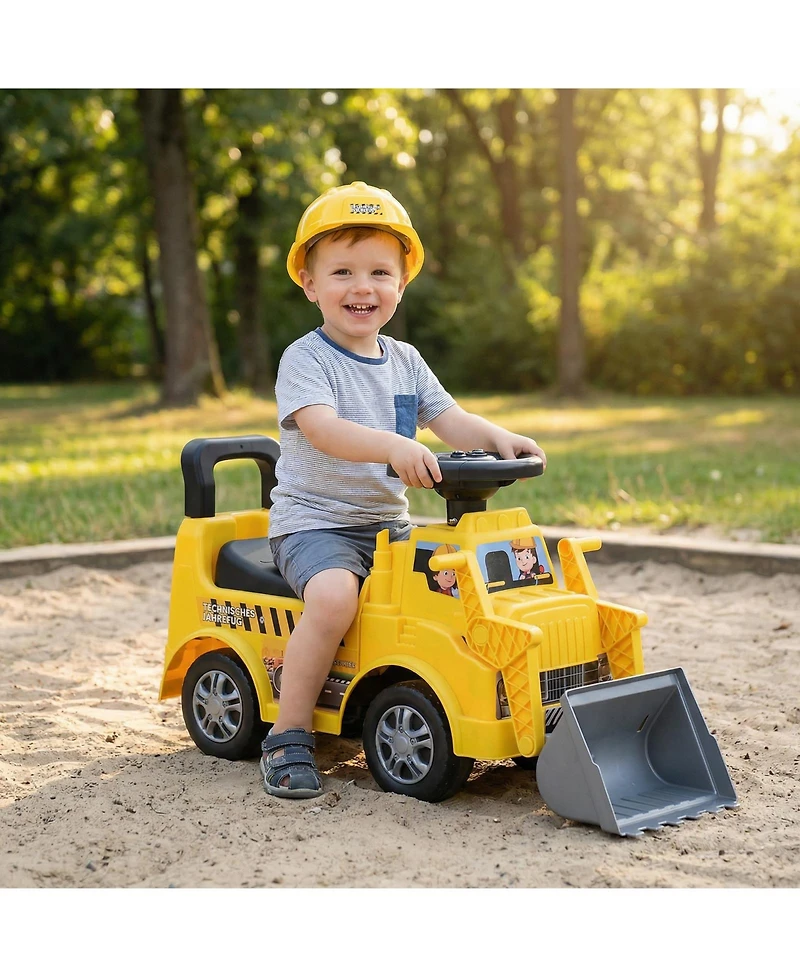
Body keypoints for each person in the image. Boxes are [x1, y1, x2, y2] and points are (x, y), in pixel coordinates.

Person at [260, 181, 547, 798]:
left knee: (459, 588)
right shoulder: (305, 360)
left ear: (401, 282)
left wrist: (500, 438)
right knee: (335, 600)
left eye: (379, 272)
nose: (362, 287)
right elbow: (325, 429)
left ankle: (497, 704)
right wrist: (392, 445)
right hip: (315, 526)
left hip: (387, 528)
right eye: (341, 271)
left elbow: (451, 420)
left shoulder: (406, 361)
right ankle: (288, 735)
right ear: (309, 284)